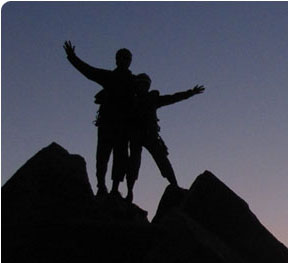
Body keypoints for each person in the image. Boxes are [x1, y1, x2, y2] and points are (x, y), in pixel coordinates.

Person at [63, 41, 135, 197]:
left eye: (126, 58)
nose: (124, 61)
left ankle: (114, 189)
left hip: (123, 126)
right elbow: (89, 71)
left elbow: (145, 100)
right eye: (121, 58)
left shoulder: (134, 82)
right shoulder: (110, 77)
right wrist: (73, 57)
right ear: (117, 60)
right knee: (102, 156)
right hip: (108, 124)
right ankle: (102, 186)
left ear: (129, 62)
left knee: (120, 157)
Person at [126, 73, 204, 202]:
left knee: (162, 161)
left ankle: (174, 185)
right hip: (136, 136)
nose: (143, 87)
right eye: (141, 84)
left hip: (150, 135)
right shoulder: (131, 100)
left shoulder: (151, 99)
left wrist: (190, 93)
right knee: (134, 163)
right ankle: (130, 192)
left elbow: (173, 98)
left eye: (145, 84)